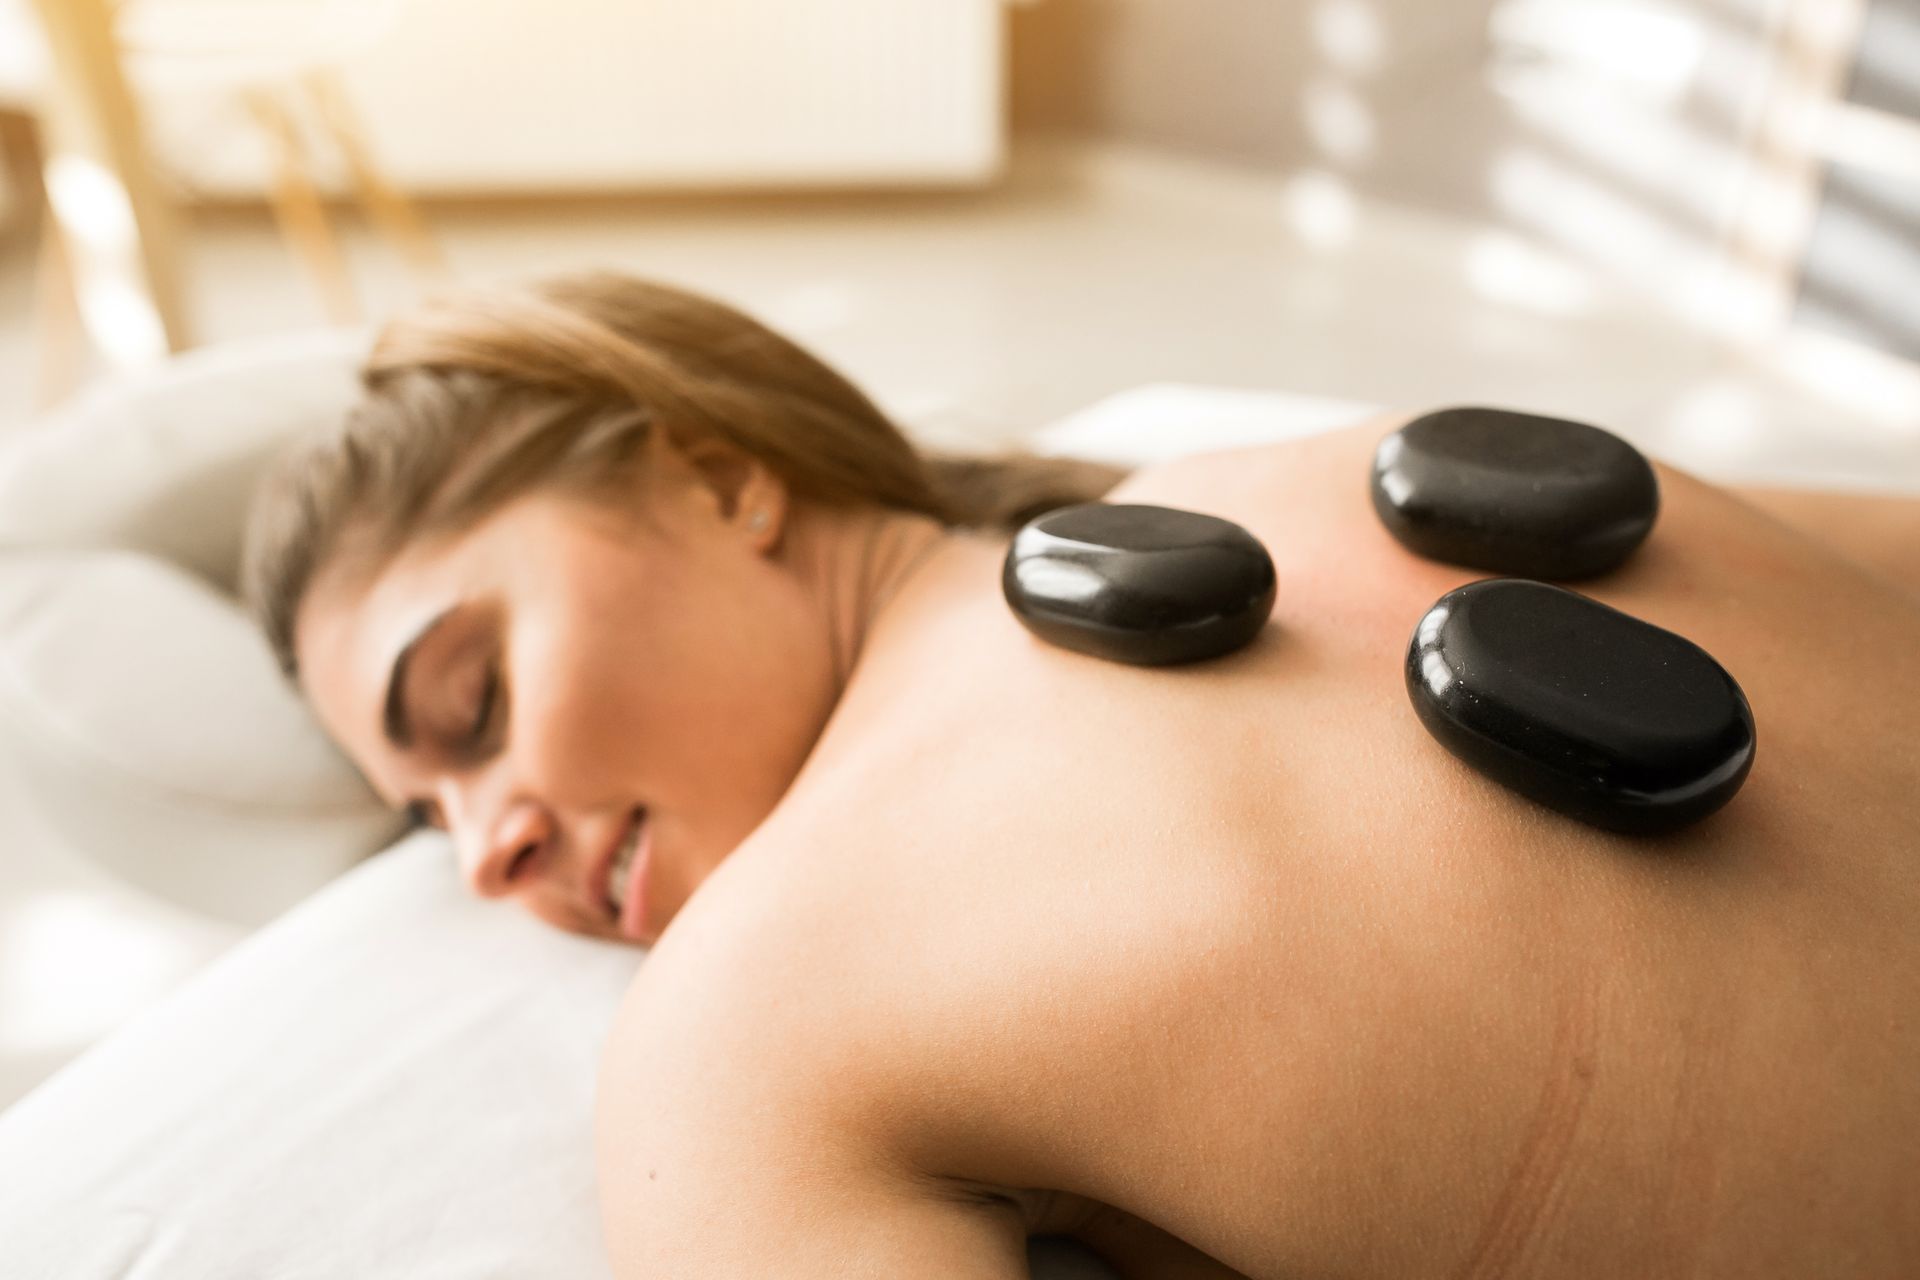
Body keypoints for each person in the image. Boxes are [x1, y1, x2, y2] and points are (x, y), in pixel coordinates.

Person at [244, 271, 1920, 1278]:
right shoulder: (1325, 460)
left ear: (714, 478)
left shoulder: (753, 1026)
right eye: (426, 816)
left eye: (468, 699)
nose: (485, 850)